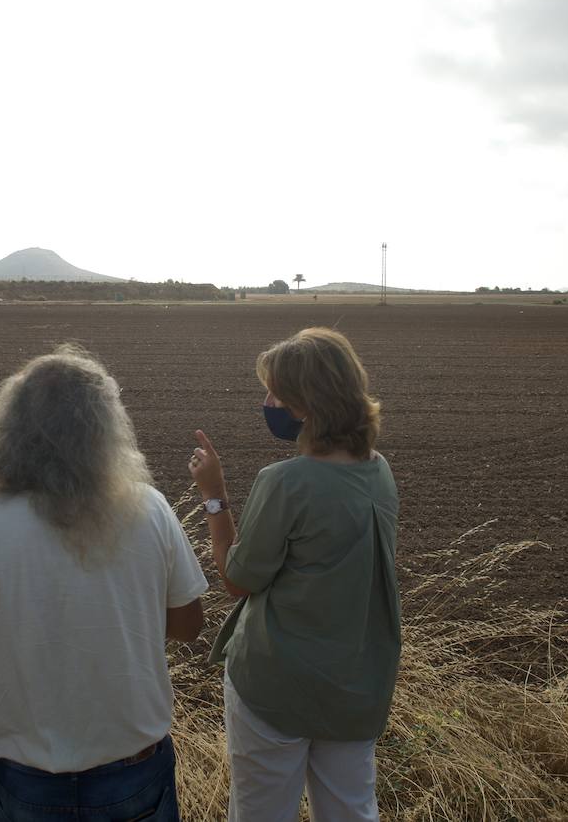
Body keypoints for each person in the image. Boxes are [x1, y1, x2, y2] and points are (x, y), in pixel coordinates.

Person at [0, 346, 207, 822]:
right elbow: (188, 626)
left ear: (7, 430)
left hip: (26, 778)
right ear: (105, 429)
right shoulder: (149, 508)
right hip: (134, 771)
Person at [189, 327, 401, 822]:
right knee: (351, 810)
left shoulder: (285, 481)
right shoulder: (379, 471)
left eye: (275, 393)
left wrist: (214, 496)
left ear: (307, 404)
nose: (267, 403)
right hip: (356, 683)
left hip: (275, 687)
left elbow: (237, 579)